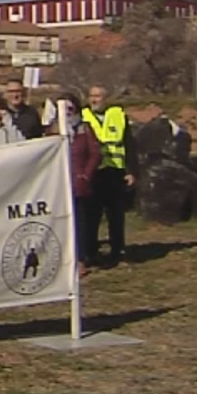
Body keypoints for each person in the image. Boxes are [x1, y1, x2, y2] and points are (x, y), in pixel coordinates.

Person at [82, 84, 137, 267]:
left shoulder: (119, 116)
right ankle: (90, 253)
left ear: (106, 98)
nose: (95, 100)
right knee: (91, 216)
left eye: (98, 96)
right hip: (93, 173)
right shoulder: (83, 118)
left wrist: (131, 171)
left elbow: (129, 145)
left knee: (116, 216)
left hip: (115, 172)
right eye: (92, 96)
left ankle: (118, 252)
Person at [59, 93, 102, 275]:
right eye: (63, 109)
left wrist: (85, 175)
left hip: (78, 183)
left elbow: (95, 153)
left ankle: (81, 259)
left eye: (70, 108)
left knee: (80, 223)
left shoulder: (84, 129)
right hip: (58, 183)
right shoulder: (54, 128)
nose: (67, 112)